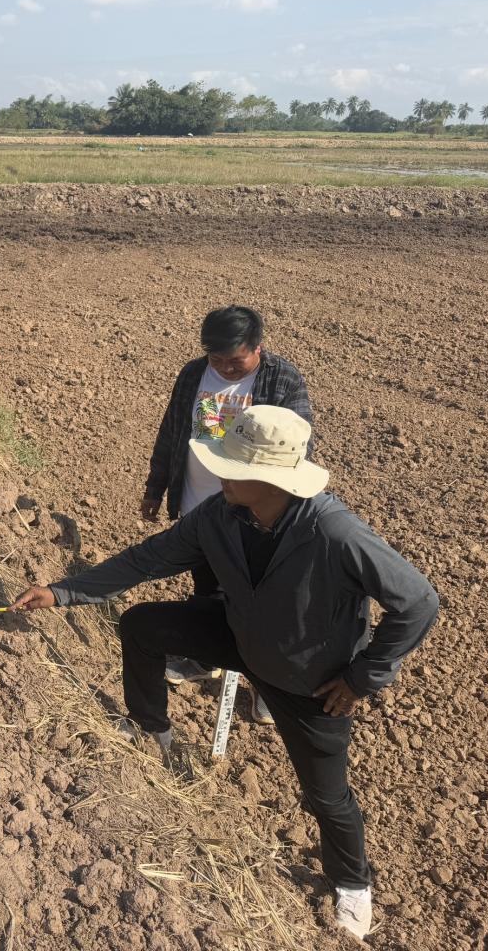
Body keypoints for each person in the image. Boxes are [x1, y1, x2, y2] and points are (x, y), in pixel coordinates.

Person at [13, 406, 438, 941]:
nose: (217, 474)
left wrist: (361, 678)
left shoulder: (333, 533)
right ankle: (153, 730)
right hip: (240, 637)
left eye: (229, 466)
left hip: (311, 681)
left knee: (326, 796)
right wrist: (62, 591)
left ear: (269, 479)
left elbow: (418, 601)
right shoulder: (222, 514)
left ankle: (352, 883)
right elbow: (149, 559)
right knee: (143, 626)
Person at [142, 305, 313, 725]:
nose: (225, 369)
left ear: (257, 349)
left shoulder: (281, 380)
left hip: (253, 514)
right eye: (216, 360)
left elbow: (297, 449)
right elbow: (172, 430)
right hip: (198, 504)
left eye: (235, 361)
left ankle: (268, 688)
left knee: (261, 605)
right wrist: (156, 487)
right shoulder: (192, 375)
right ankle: (204, 658)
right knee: (208, 589)